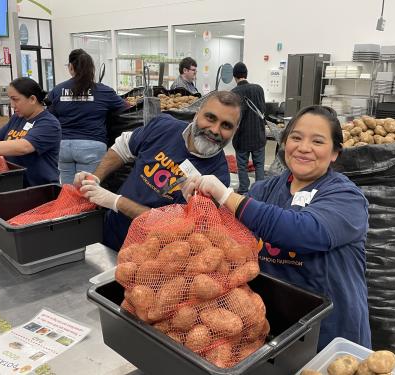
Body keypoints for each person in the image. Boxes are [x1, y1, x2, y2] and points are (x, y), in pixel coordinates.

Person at [182, 105, 371, 350]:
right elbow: (232, 241)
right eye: (296, 137)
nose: (304, 148)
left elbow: (303, 231)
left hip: (330, 332)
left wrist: (226, 195)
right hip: (274, 328)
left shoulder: (347, 197)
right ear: (284, 143)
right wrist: (203, 206)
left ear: (335, 152)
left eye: (317, 141)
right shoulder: (264, 190)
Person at [77, 90, 241, 251]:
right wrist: (95, 178)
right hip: (110, 233)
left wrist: (116, 202)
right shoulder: (164, 127)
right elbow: (123, 147)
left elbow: (174, 227)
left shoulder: (217, 180)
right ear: (196, 114)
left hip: (150, 258)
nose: (214, 130)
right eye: (210, 118)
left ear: (234, 132)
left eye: (226, 125)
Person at [47, 49, 129, 184]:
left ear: (71, 67)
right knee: (88, 190)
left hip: (63, 146)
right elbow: (126, 108)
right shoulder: (104, 91)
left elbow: (50, 115)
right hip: (92, 146)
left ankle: (68, 205)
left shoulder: (57, 90)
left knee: (68, 190)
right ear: (92, 69)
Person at [231, 62, 267, 194]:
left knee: (242, 166)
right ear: (246, 74)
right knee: (259, 166)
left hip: (242, 138)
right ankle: (261, 191)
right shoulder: (259, 89)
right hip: (258, 135)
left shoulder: (233, 93)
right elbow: (263, 110)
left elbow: (233, 118)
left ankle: (244, 190)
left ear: (234, 77)